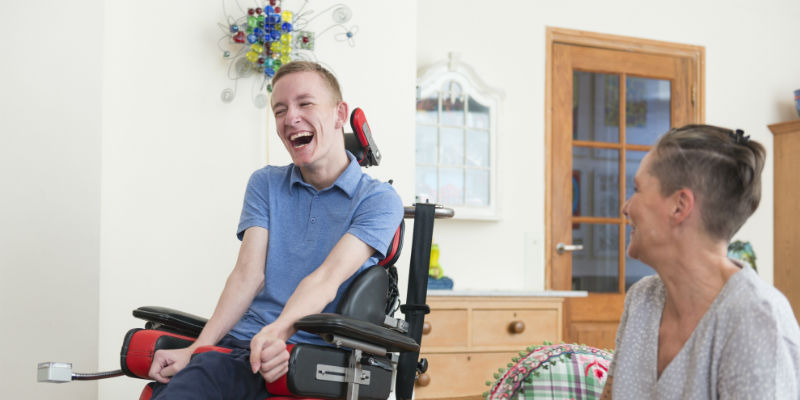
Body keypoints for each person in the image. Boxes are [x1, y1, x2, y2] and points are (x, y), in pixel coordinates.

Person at [146, 61, 404, 399]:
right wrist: (198, 349)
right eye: (279, 110)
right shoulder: (266, 184)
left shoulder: (379, 200)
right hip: (242, 349)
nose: (290, 118)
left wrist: (278, 332)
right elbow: (247, 276)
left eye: (305, 103)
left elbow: (325, 279)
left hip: (310, 357)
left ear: (340, 114)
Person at [601, 125, 800, 399]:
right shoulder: (642, 300)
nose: (626, 207)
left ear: (679, 206)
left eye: (637, 190)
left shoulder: (756, 317)